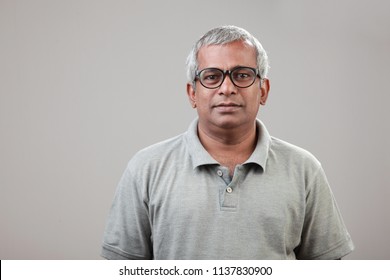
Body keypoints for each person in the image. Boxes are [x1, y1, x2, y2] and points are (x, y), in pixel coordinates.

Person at [101, 25, 354, 260]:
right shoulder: (146, 168)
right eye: (212, 77)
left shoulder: (304, 170)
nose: (227, 88)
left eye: (242, 75)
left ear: (263, 90)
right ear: (192, 93)